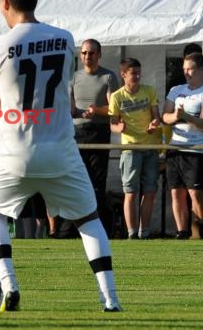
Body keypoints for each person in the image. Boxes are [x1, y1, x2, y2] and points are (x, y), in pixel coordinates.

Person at [0, 0, 122, 312]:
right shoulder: (65, 38)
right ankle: (111, 299)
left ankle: (9, 284)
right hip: (60, 148)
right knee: (89, 219)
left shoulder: (1, 45)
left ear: (4, 2)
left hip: (16, 149)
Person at [71, 39, 119, 237]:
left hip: (99, 132)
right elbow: (71, 109)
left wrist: (95, 110)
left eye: (91, 53)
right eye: (84, 53)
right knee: (77, 181)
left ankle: (99, 229)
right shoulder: (73, 78)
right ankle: (74, 229)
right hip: (77, 134)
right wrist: (76, 112)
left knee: (97, 183)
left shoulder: (108, 76)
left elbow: (114, 109)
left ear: (99, 55)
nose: (87, 57)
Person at [109, 58, 161, 240]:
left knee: (150, 191)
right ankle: (132, 233)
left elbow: (157, 117)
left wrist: (155, 124)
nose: (137, 76)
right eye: (133, 73)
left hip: (150, 147)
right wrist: (119, 128)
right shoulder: (116, 96)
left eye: (139, 72)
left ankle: (144, 232)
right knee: (130, 192)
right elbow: (113, 125)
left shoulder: (149, 91)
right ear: (123, 75)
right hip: (130, 149)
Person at [162, 52, 203, 239]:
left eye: (190, 69)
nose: (186, 72)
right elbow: (165, 116)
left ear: (200, 70)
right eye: (184, 69)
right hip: (175, 148)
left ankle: (200, 229)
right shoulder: (176, 90)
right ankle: (182, 232)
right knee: (176, 194)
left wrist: (185, 117)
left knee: (195, 194)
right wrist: (176, 117)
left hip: (195, 150)